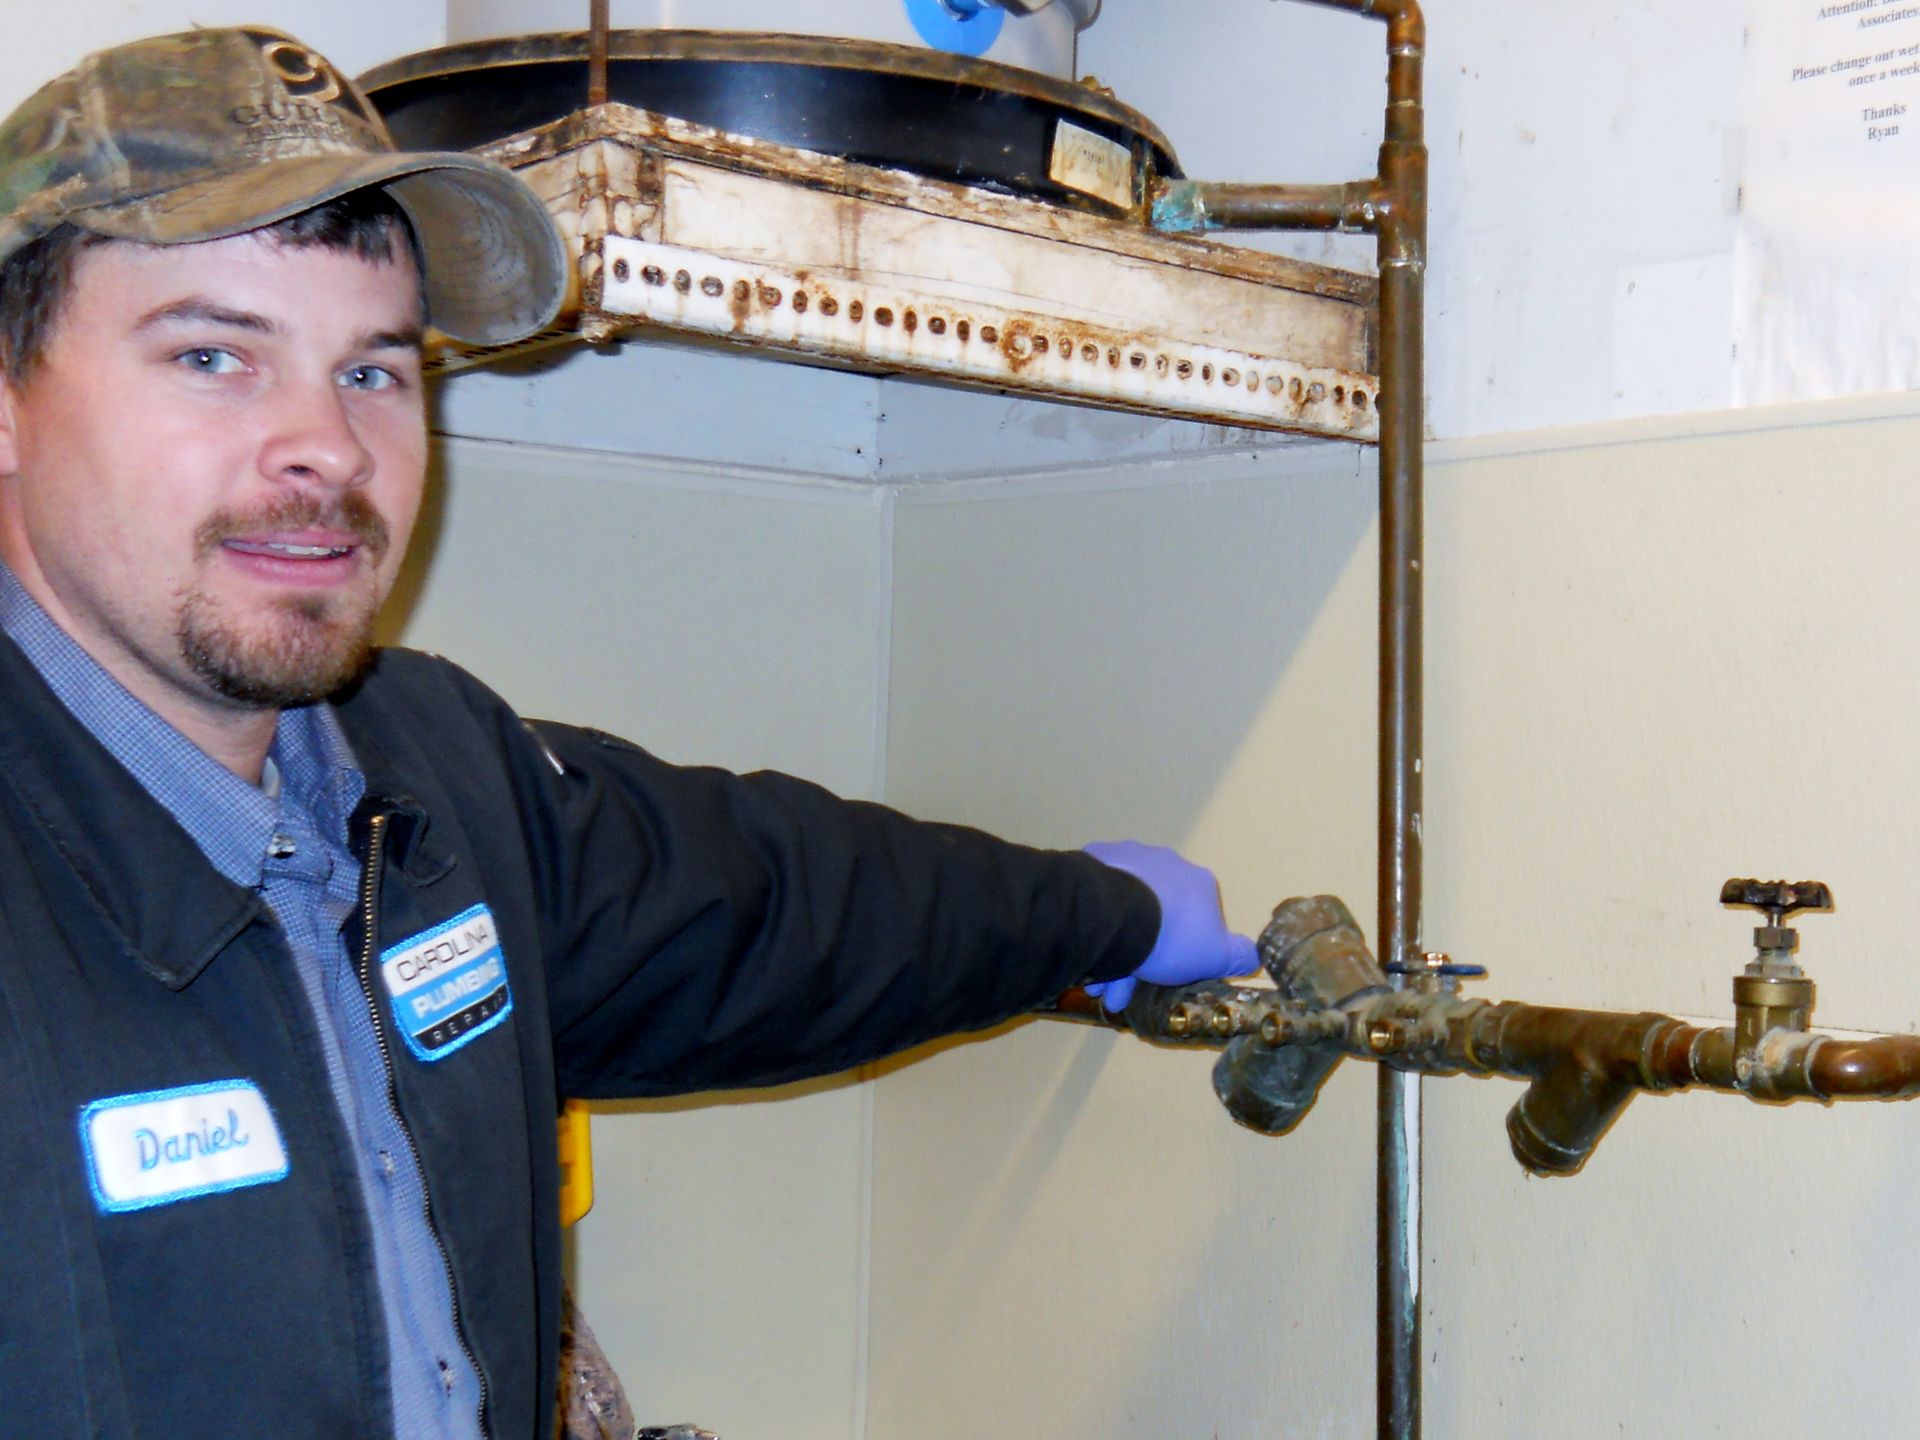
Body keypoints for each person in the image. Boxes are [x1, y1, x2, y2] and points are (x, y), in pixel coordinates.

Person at [0, 26, 1256, 1440]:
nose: (330, 452)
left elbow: (772, 907)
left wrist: (1095, 915)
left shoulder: (422, 775)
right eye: (216, 355)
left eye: (375, 370)